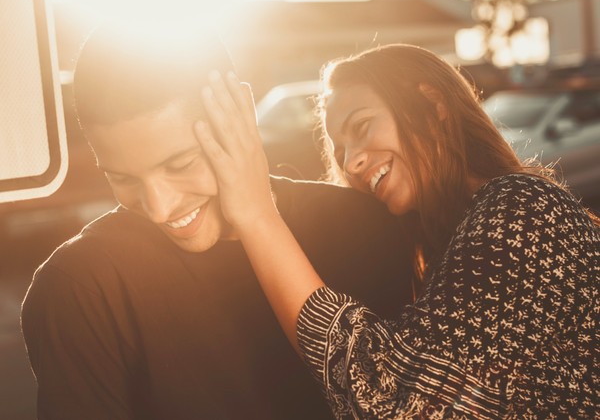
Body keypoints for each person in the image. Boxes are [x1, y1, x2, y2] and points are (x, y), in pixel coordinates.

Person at [20, 24, 417, 420]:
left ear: (240, 114)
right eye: (122, 178)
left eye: (180, 164)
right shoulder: (78, 289)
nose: (159, 207)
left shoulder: (363, 228)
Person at [195, 44, 599, 419]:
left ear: (432, 103)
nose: (351, 162)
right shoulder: (448, 247)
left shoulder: (521, 208)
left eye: (362, 126)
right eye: (340, 152)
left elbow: (402, 401)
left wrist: (256, 213)